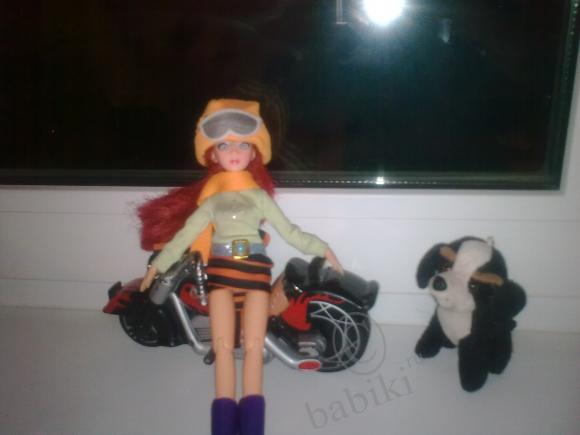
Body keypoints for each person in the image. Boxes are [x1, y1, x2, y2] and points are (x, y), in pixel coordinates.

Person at [138, 99, 343, 435]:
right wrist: (158, 266)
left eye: (243, 144)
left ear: (254, 153)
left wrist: (322, 248)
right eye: (224, 145)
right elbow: (184, 236)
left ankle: (251, 426)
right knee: (222, 349)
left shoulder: (259, 197)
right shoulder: (211, 200)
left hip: (255, 280)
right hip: (221, 279)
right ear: (212, 155)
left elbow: (290, 232)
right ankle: (222, 425)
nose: (234, 151)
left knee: (252, 347)